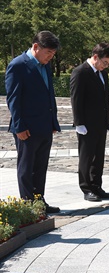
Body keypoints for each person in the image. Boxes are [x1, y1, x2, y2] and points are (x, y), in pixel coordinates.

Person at [5, 31, 61, 214]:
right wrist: (19, 126)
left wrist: (53, 122)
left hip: (45, 126)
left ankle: (39, 202)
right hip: (27, 128)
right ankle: (28, 207)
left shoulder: (45, 65)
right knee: (26, 168)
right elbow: (13, 99)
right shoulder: (18, 65)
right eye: (48, 53)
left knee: (41, 167)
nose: (50, 57)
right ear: (36, 47)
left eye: (53, 54)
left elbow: (48, 94)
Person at [70, 43, 109, 202]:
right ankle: (86, 188)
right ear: (95, 57)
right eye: (105, 62)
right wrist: (79, 122)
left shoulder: (103, 74)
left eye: (108, 63)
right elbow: (76, 98)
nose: (106, 66)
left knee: (99, 157)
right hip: (86, 125)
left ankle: (97, 185)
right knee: (86, 157)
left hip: (101, 123)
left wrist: (107, 120)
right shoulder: (80, 72)